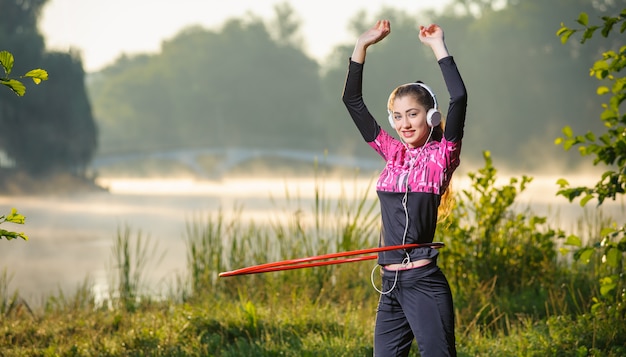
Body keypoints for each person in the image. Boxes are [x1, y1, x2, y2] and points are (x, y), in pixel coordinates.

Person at [342, 20, 467, 356]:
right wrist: (361, 46)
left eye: (412, 114)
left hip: (423, 283)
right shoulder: (391, 153)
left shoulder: (442, 157)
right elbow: (352, 101)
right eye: (397, 116)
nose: (404, 124)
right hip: (390, 285)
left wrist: (438, 45)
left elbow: (459, 97)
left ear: (431, 117)